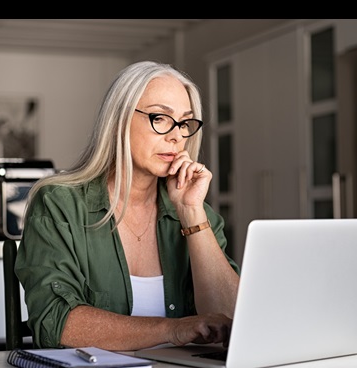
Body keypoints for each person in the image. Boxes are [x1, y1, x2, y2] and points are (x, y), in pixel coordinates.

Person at [15, 60, 241, 352]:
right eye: (160, 118)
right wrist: (173, 329)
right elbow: (56, 323)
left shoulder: (196, 213)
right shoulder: (60, 204)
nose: (177, 136)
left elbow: (234, 322)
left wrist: (191, 214)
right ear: (119, 119)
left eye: (185, 123)